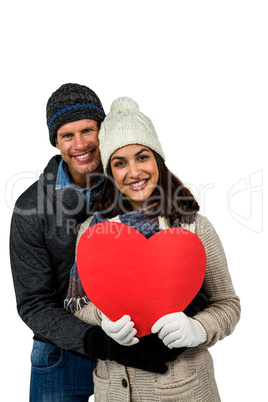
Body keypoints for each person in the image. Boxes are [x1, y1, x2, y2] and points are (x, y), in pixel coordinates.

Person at [65, 97, 241, 401]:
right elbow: (78, 303)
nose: (134, 172)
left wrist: (197, 328)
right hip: (111, 390)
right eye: (120, 163)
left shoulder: (194, 227)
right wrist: (102, 319)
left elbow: (228, 304)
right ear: (109, 171)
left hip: (182, 390)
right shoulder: (91, 232)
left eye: (142, 157)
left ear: (158, 160)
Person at [10, 84, 173, 402]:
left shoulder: (135, 183)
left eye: (88, 130)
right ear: (55, 141)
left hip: (136, 344)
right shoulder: (31, 207)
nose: (80, 144)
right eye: (67, 135)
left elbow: (169, 258)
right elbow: (34, 303)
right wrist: (99, 341)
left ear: (103, 131)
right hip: (60, 356)